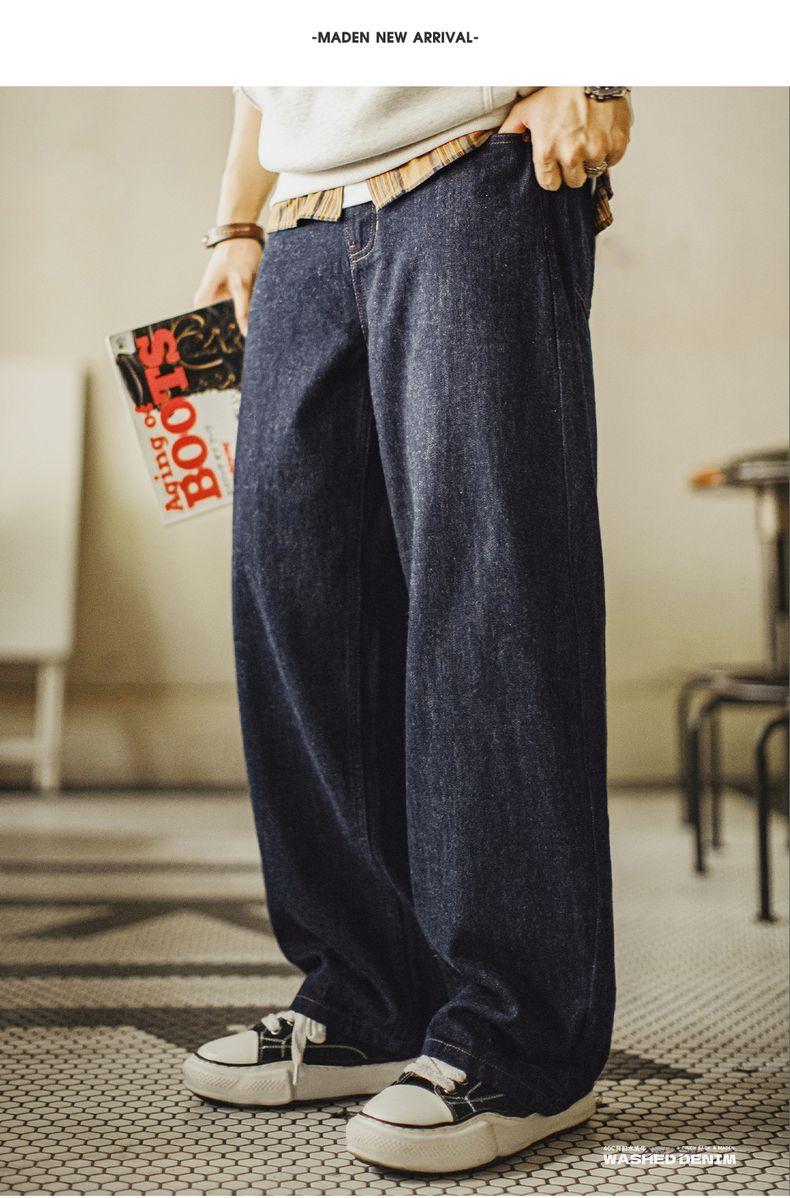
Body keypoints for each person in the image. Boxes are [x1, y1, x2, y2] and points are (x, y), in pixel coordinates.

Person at [183, 85, 632, 1174]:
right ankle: (367, 997)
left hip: (470, 163)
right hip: (299, 216)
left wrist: (602, 72)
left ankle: (523, 1043)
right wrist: (236, 218)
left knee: (489, 603)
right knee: (297, 601)